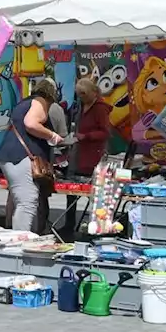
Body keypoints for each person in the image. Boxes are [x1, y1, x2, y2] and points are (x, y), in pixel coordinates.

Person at [0, 78, 63, 232]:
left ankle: (25, 238)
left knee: (26, 201)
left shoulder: (24, 103)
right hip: (21, 157)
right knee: (27, 202)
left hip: (11, 156)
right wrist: (52, 136)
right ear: (51, 95)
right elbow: (31, 123)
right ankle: (21, 242)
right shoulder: (40, 102)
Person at [63, 78, 114, 233]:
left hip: (93, 156)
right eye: (78, 94)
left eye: (83, 94)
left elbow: (105, 133)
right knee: (70, 191)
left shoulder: (100, 108)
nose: (81, 97)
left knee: (94, 195)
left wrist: (87, 136)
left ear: (92, 92)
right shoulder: (80, 106)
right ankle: (69, 224)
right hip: (78, 155)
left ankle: (94, 227)